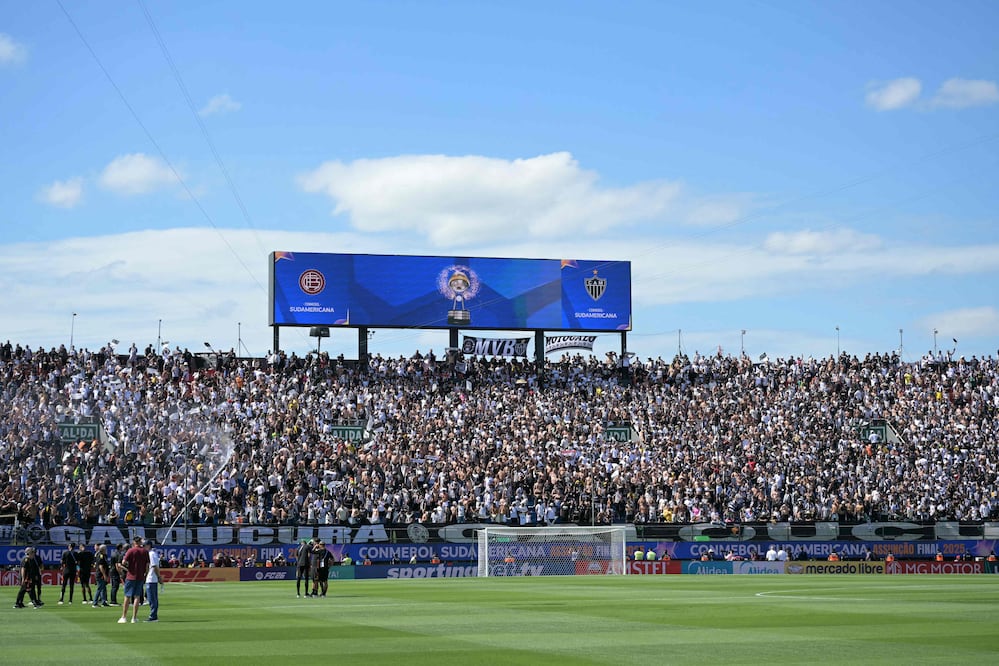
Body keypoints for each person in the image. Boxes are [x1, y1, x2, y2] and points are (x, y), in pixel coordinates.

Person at [119, 536, 149, 624]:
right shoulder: (144, 551)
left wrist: (129, 565)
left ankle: (124, 617)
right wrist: (145, 574)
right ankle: (134, 617)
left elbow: (123, 562)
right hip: (140, 576)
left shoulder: (131, 550)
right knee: (137, 597)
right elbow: (147, 565)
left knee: (127, 596)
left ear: (134, 542)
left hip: (130, 576)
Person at [144, 540, 162, 622]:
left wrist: (159, 577)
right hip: (151, 578)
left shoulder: (151, 554)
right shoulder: (151, 554)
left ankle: (153, 616)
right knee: (151, 598)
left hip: (152, 579)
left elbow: (154, 566)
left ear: (148, 545)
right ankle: (153, 615)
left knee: (152, 598)